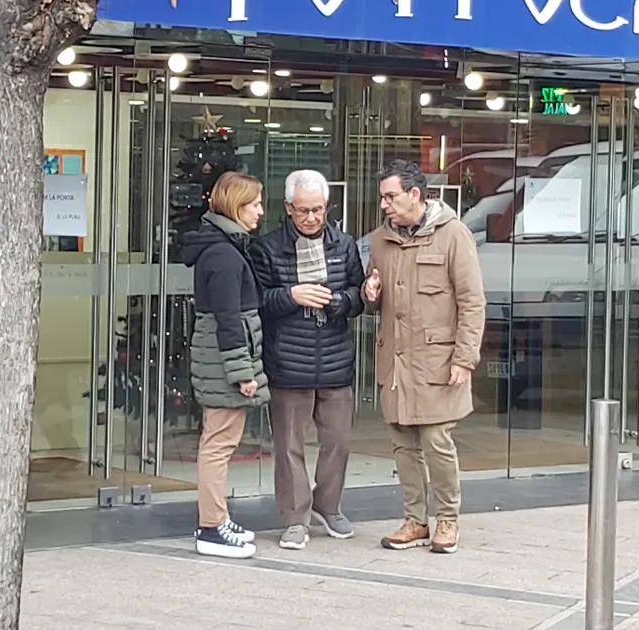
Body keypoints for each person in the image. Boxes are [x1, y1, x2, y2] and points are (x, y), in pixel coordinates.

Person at [362, 159, 485, 554]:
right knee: (402, 443)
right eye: (382, 197)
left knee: (437, 440)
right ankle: (415, 520)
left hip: (437, 360)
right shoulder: (380, 240)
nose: (384, 204)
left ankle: (447, 519)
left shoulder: (453, 234)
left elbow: (472, 302)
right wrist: (371, 294)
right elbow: (374, 293)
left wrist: (465, 358)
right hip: (395, 360)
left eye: (390, 196)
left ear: (415, 194)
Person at [250, 170, 365, 551]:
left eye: (318, 210)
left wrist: (339, 302)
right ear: (288, 208)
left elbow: (358, 296)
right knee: (289, 446)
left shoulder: (345, 245)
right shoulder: (266, 247)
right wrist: (291, 295)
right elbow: (257, 301)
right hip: (287, 360)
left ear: (327, 207)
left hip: (335, 359)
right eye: (303, 211)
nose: (312, 218)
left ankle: (328, 506)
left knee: (339, 441)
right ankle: (295, 517)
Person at [182, 171, 271, 559]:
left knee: (220, 442)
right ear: (236, 206)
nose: (260, 212)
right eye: (254, 205)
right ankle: (211, 527)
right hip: (223, 362)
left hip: (221, 359)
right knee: (218, 445)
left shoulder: (224, 246)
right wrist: (243, 372)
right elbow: (228, 318)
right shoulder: (222, 253)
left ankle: (217, 517)